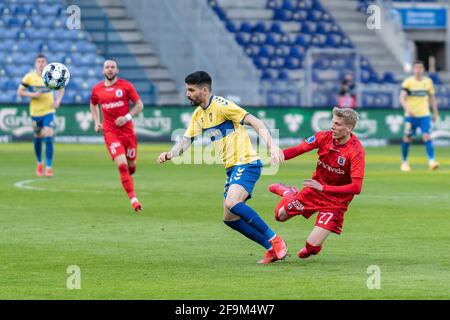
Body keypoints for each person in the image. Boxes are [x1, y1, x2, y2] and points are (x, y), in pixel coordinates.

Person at [157, 71, 287, 264]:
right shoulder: (198, 115)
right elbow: (185, 141)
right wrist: (169, 154)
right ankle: (270, 249)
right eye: (187, 90)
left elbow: (254, 121)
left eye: (191, 90)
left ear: (204, 90)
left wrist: (271, 145)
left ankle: (275, 240)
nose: (188, 94)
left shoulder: (222, 106)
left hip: (246, 162)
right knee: (230, 218)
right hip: (232, 168)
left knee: (232, 202)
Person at [269, 107, 364, 259]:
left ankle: (312, 248)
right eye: (333, 122)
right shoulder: (323, 137)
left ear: (349, 128)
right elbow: (299, 149)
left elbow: (356, 187)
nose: (332, 126)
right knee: (279, 216)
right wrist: (279, 155)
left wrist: (324, 188)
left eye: (338, 124)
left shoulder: (356, 151)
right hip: (314, 190)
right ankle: (288, 193)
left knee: (311, 248)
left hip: (335, 201)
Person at [90, 59, 144, 212]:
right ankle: (134, 200)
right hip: (110, 133)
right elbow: (93, 103)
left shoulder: (126, 86)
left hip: (127, 133)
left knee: (130, 166)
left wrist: (126, 117)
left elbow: (140, 105)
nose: (110, 69)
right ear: (103, 71)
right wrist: (96, 122)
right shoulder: (97, 89)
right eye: (107, 67)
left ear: (117, 70)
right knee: (122, 165)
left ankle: (129, 174)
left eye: (112, 67)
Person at [17, 54, 65, 177]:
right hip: (35, 113)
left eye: (43, 61)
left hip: (48, 111)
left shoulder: (51, 76)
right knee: (37, 137)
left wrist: (58, 101)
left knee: (48, 133)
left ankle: (49, 167)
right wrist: (32, 95)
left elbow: (61, 88)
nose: (41, 63)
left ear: (47, 63)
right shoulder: (29, 77)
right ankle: (39, 163)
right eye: (39, 61)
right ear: (35, 64)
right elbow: (20, 92)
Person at [399, 60, 439, 172]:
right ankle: (404, 162)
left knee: (427, 136)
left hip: (424, 115)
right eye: (416, 67)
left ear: (423, 69)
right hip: (410, 116)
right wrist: (407, 109)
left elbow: (432, 98)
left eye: (420, 67)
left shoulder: (428, 82)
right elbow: (402, 97)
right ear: (413, 69)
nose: (418, 69)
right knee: (407, 138)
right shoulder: (408, 82)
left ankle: (432, 161)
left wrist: (435, 112)